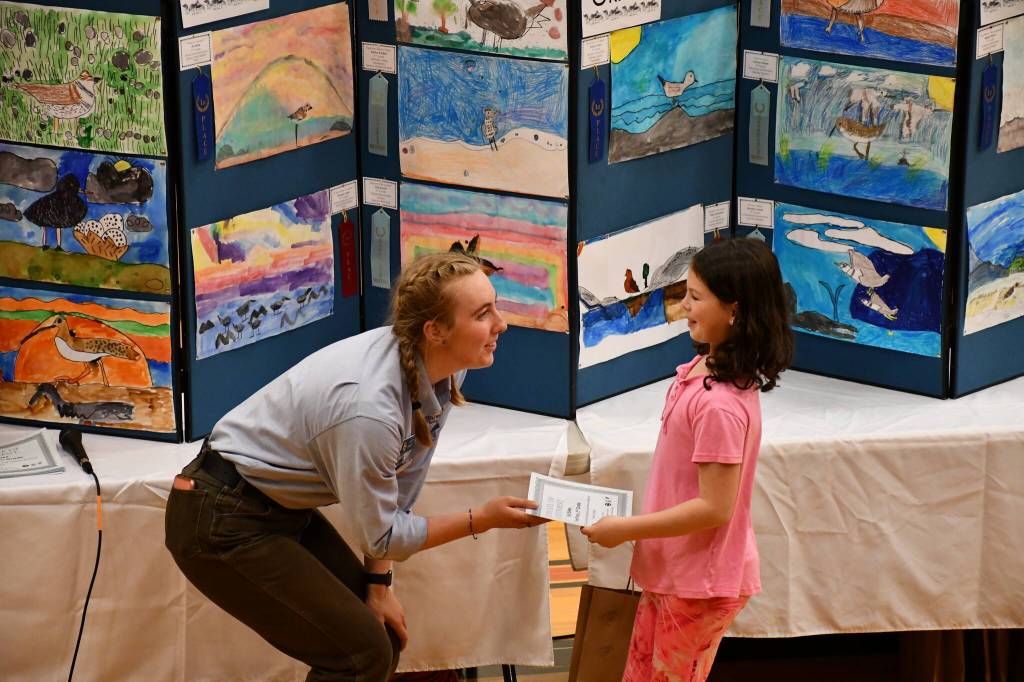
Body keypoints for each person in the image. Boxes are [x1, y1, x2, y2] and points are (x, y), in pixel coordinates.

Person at [165, 252, 546, 682]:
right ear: (435, 331)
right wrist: (483, 518)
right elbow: (382, 534)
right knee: (361, 656)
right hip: (220, 518)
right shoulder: (371, 411)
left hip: (273, 509)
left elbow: (398, 493)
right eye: (483, 314)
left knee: (381, 641)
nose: (502, 324)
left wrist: (378, 587)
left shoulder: (443, 368)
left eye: (495, 307)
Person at [581, 239, 794, 682]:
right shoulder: (703, 371)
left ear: (733, 311)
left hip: (698, 584)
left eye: (696, 297)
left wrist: (626, 530)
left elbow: (715, 507)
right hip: (674, 571)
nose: (684, 306)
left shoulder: (719, 406)